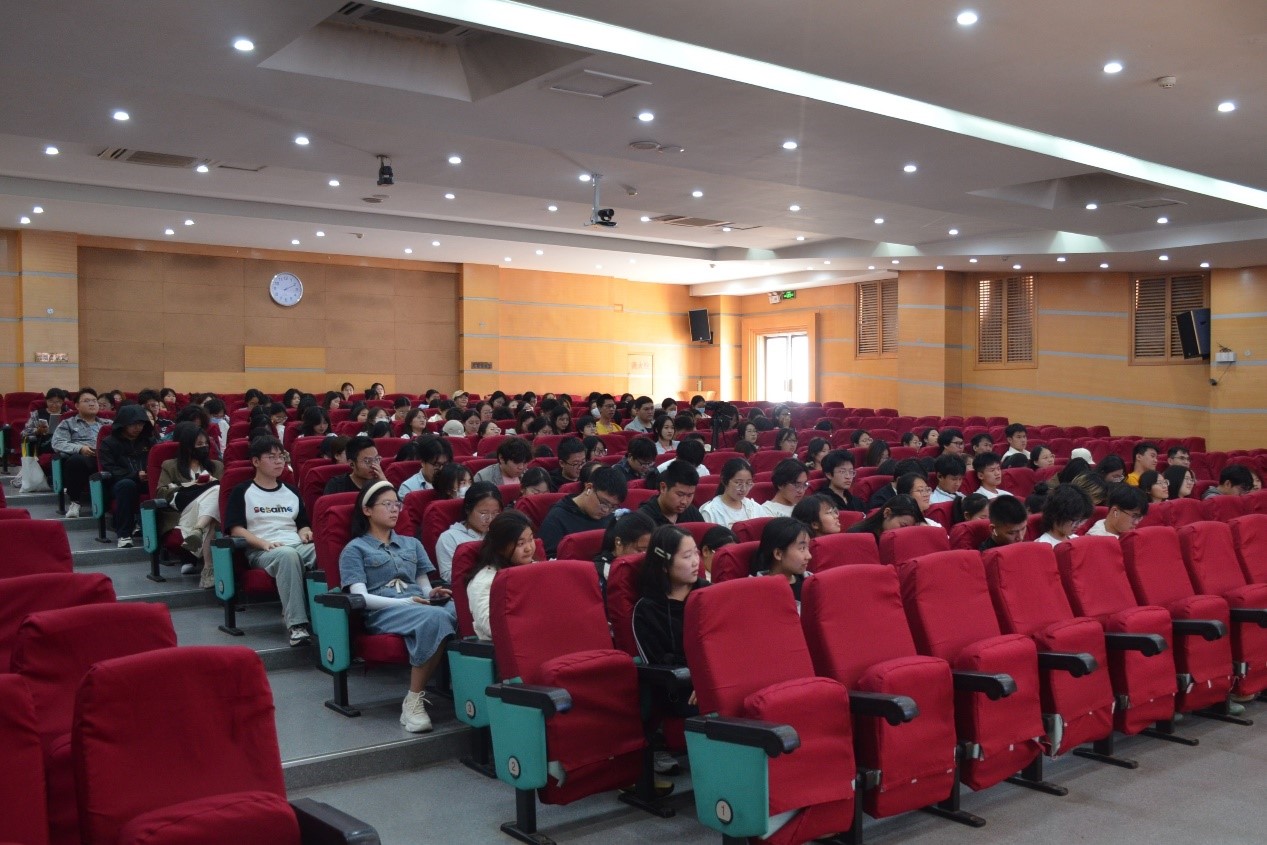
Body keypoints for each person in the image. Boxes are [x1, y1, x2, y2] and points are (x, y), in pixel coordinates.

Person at [339, 481, 457, 732]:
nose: (395, 509)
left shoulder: (411, 544)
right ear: (367, 510)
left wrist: (432, 593)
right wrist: (404, 601)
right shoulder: (354, 549)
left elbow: (423, 586)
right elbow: (360, 597)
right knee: (436, 618)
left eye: (397, 504)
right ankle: (413, 701)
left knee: (458, 610)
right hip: (383, 611)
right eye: (387, 504)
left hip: (418, 604)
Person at [224, 436, 316, 646]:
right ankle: (297, 626)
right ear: (256, 461)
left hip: (295, 544)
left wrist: (305, 532)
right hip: (262, 550)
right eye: (272, 457)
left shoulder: (291, 491)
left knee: (326, 551)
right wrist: (263, 543)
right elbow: (236, 529)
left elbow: (303, 523)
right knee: (287, 555)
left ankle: (331, 616)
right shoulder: (242, 491)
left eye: (281, 456)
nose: (279, 461)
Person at [156, 421, 224, 577]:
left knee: (217, 492)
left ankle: (197, 536)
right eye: (199, 444)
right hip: (181, 510)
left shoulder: (216, 466)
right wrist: (191, 486)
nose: (204, 447)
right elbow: (161, 492)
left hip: (207, 511)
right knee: (215, 490)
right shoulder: (170, 466)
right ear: (187, 447)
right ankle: (205, 562)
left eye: (206, 444)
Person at [466, 510, 538, 642]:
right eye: (520, 544)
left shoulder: (537, 569)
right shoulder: (484, 581)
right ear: (500, 547)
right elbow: (492, 626)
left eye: (531, 539)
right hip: (507, 645)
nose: (529, 548)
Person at [538, 466, 629, 557]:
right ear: (589, 488)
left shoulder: (614, 516)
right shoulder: (557, 518)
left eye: (613, 507)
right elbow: (550, 560)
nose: (606, 510)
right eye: (604, 503)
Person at [98, 402, 153, 548]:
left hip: (147, 480)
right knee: (126, 485)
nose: (138, 428)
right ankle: (124, 534)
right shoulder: (109, 442)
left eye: (141, 424)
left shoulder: (149, 441)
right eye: (133, 424)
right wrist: (134, 475)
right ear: (123, 424)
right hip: (120, 482)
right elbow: (109, 468)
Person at [51, 390, 106, 519]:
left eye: (94, 401)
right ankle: (75, 502)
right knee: (76, 461)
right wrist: (80, 448)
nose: (92, 404)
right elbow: (57, 443)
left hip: (106, 457)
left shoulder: (108, 423)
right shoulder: (67, 423)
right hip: (85, 458)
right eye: (87, 401)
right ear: (76, 405)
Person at [436, 482, 503, 582]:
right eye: (483, 513)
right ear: (468, 509)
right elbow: (449, 576)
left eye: (495, 513)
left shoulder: (499, 531)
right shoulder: (449, 537)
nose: (489, 519)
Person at [751, 517, 813, 607]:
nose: (809, 556)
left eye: (807, 547)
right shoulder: (755, 591)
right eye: (802, 548)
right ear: (778, 554)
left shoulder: (811, 582)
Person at [593, 510, 655, 584]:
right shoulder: (603, 572)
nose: (645, 556)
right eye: (640, 550)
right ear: (618, 543)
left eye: (650, 550)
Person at [700, 458, 765, 527]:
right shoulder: (710, 511)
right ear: (724, 480)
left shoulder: (754, 507)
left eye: (748, 483)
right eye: (738, 483)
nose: (744, 489)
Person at [640, 460, 704, 526]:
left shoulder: (692, 513)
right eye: (680, 494)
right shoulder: (643, 519)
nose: (684, 502)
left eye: (689, 495)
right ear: (663, 488)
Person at [846, 494, 922, 540]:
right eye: (902, 526)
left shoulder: (902, 540)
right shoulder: (857, 536)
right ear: (887, 513)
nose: (905, 532)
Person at [21, 387, 66, 457]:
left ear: (62, 402)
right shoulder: (37, 414)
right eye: (51, 401)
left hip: (64, 444)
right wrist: (37, 431)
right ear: (46, 400)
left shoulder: (68, 413)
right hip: (44, 445)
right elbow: (24, 432)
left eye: (58, 402)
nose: (54, 404)